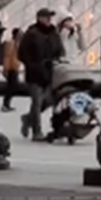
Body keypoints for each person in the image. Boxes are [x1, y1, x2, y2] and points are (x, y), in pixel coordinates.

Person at [17, 9, 64, 141]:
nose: (49, 19)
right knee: (37, 102)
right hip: (35, 74)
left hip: (50, 73)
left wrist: (59, 60)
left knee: (49, 101)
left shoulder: (54, 33)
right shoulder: (32, 33)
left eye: (50, 17)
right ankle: (37, 132)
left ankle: (27, 119)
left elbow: (60, 50)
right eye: (47, 17)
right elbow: (22, 53)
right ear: (39, 18)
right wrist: (33, 66)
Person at [0, 27, 21, 112]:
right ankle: (5, 104)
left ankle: (7, 104)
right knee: (12, 87)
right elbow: (7, 56)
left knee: (13, 87)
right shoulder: (11, 43)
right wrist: (6, 68)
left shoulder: (16, 43)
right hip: (11, 68)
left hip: (14, 67)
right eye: (20, 34)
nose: (21, 36)